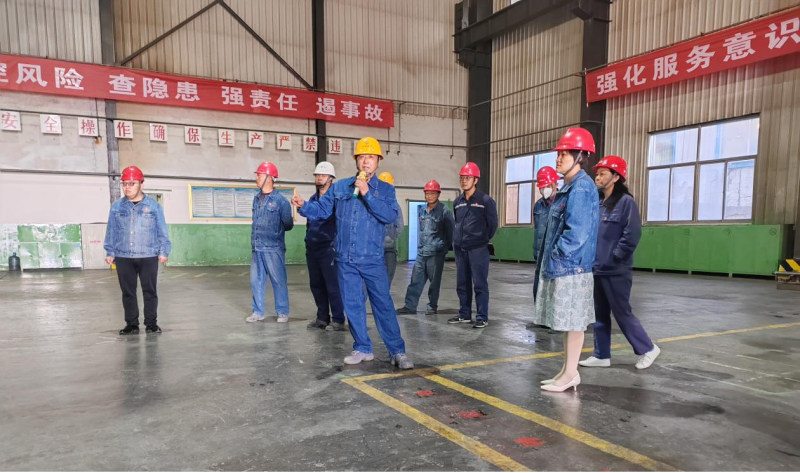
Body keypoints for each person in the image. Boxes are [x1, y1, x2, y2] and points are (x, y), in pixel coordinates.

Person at [292, 137, 414, 369]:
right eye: (362, 157)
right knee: (353, 305)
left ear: (378, 161)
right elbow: (322, 209)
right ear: (356, 160)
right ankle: (362, 348)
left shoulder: (386, 189)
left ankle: (397, 351)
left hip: (372, 259)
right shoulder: (340, 187)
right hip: (345, 259)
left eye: (371, 157)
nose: (366, 161)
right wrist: (303, 205)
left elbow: (389, 216)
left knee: (383, 305)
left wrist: (368, 194)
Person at [579, 156, 661, 370]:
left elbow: (632, 234)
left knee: (622, 312)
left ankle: (648, 348)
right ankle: (601, 355)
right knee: (599, 314)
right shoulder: (598, 203)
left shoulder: (625, 202)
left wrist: (615, 257)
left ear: (616, 177)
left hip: (616, 270)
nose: (597, 177)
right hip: (596, 268)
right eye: (597, 174)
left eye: (603, 174)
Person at [534, 128, 599, 393]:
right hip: (566, 267)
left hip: (572, 268)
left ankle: (571, 374)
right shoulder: (570, 186)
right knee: (568, 324)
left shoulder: (581, 187)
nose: (558, 159)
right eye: (559, 154)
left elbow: (578, 233)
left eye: (565, 154)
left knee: (573, 323)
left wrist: (557, 253)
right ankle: (566, 371)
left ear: (580, 156)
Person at [104, 166, 171, 335]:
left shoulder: (154, 207)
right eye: (125, 183)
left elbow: (162, 230)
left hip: (148, 255)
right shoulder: (117, 207)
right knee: (128, 293)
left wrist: (164, 251)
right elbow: (111, 230)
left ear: (142, 184)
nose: (127, 187)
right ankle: (132, 325)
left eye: (132, 183)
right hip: (123, 255)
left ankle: (151, 324)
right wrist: (110, 251)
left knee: (150, 291)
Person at [448, 163, 498, 329]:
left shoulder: (485, 201)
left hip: (478, 249)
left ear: (475, 180)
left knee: (480, 284)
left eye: (467, 178)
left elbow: (493, 225)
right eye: (462, 178)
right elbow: (457, 222)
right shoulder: (458, 202)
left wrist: (481, 239)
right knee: (462, 283)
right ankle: (464, 314)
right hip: (460, 248)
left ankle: (482, 316)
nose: (464, 180)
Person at [397, 180, 454, 315]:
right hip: (422, 252)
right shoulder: (422, 210)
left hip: (436, 253)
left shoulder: (444, 211)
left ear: (438, 194)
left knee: (434, 282)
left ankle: (432, 306)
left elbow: (451, 232)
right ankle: (410, 306)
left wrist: (443, 247)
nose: (429, 196)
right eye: (427, 193)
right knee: (415, 280)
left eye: (432, 193)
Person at [246, 162, 294, 324]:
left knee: (278, 280)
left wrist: (274, 232)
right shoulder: (256, 199)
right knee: (256, 281)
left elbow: (288, 224)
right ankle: (257, 312)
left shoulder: (281, 202)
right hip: (257, 247)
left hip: (274, 248)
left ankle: (282, 312)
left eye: (259, 175)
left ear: (269, 178)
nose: (256, 178)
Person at [305, 161, 347, 332]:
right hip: (313, 247)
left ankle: (338, 319)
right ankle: (322, 318)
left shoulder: (336, 200)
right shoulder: (313, 200)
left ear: (331, 178)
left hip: (330, 247)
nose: (319, 177)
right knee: (316, 285)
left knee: (333, 285)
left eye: (323, 175)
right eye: (317, 175)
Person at [528, 166, 559, 331]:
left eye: (547, 185)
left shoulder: (562, 203)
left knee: (554, 287)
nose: (544, 189)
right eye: (541, 186)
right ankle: (540, 318)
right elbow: (537, 228)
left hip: (555, 254)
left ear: (555, 184)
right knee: (538, 286)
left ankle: (555, 321)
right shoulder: (538, 206)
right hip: (539, 252)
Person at [377, 172, 405, 286]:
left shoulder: (395, 206)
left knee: (386, 279)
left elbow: (400, 226)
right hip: (374, 250)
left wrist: (390, 238)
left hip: (388, 250)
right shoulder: (373, 204)